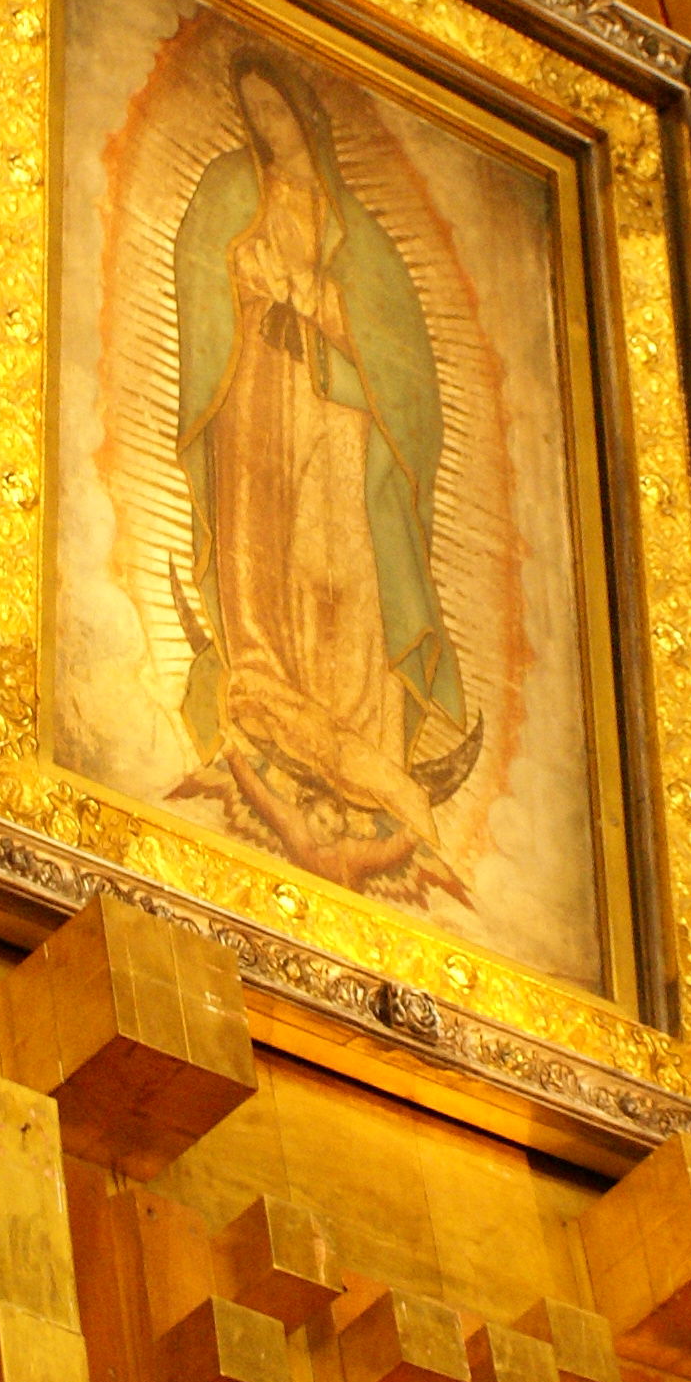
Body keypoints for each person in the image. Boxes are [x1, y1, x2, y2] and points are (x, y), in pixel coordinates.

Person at [168, 45, 481, 896]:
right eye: (255, 114)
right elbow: (202, 274)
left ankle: (357, 732)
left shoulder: (361, 237)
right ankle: (267, 691)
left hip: (335, 415)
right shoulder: (237, 189)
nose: (267, 129)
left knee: (338, 568)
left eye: (279, 113)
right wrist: (244, 285)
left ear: (306, 118)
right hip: (258, 398)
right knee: (262, 554)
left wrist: (322, 305)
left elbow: (402, 369)